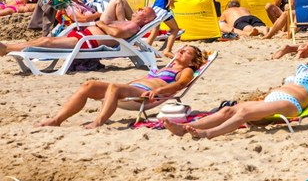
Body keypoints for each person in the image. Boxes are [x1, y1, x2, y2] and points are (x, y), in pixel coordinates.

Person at [162, 36, 308, 139]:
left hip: (290, 103)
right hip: (274, 100)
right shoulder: (307, 69)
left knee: (243, 114)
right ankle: (185, 128)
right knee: (228, 111)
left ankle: (208, 133)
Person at [36, 45, 206, 129]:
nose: (182, 51)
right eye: (182, 49)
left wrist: (159, 91)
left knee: (114, 87)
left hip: (145, 96)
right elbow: (145, 77)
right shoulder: (166, 67)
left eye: (187, 52)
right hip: (133, 89)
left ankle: (98, 122)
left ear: (192, 61)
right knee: (88, 85)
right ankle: (56, 120)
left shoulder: (187, 70)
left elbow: (181, 84)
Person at [0, 2, 156, 56]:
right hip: (86, 36)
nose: (139, 9)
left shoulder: (133, 26)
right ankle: (8, 48)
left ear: (146, 19)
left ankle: (7, 48)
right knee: (46, 40)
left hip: (88, 42)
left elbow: (116, 34)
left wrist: (100, 24)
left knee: (47, 41)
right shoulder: (128, 22)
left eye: (143, 10)